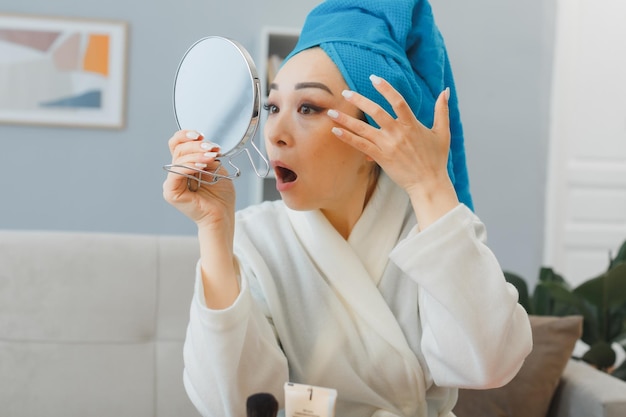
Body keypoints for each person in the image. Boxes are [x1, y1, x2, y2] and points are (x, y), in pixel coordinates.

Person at [163, 0, 533, 416]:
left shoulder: (430, 230)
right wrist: (214, 230)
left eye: (308, 108)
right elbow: (234, 402)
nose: (276, 134)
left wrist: (431, 185)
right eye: (272, 107)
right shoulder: (252, 236)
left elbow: (488, 366)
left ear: (375, 134)